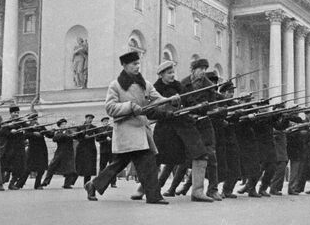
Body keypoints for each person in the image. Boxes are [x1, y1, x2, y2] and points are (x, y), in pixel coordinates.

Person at [84, 51, 175, 204]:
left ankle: (93, 185)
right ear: (125, 66)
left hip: (141, 130)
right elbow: (110, 108)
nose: (137, 67)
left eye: (138, 63)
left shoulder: (145, 84)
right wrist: (130, 106)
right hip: (126, 131)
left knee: (129, 163)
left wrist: (170, 100)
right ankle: (153, 196)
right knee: (141, 163)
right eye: (134, 64)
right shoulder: (116, 85)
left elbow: (157, 98)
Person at [135, 60, 212, 202]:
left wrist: (199, 106)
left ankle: (197, 192)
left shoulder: (180, 86)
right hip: (165, 128)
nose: (172, 75)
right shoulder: (154, 89)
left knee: (200, 153)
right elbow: (149, 111)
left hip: (184, 125)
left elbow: (190, 102)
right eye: (169, 73)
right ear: (161, 75)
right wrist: (166, 111)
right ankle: (142, 189)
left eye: (173, 72)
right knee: (155, 158)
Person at [179, 58, 223, 201]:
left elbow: (213, 106)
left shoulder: (209, 85)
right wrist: (188, 113)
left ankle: (213, 189)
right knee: (180, 156)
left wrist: (207, 107)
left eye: (205, 69)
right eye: (200, 69)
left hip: (204, 123)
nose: (203, 72)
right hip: (189, 124)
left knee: (211, 155)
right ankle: (164, 187)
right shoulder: (183, 84)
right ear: (193, 69)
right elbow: (179, 105)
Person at [42, 118, 77, 188]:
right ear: (59, 126)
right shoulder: (58, 132)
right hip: (60, 152)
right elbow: (54, 139)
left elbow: (77, 136)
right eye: (62, 124)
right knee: (52, 166)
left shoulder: (69, 131)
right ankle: (45, 182)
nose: (64, 125)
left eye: (65, 124)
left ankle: (67, 184)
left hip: (69, 153)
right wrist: (64, 135)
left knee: (70, 169)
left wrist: (73, 133)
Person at [18, 116, 49, 189]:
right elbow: (24, 136)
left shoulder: (41, 127)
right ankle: (19, 184)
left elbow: (49, 135)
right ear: (29, 120)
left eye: (35, 119)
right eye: (32, 119)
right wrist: (33, 133)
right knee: (28, 169)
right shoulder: (28, 128)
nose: (34, 121)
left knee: (41, 169)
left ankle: (37, 185)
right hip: (32, 151)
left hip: (41, 150)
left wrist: (48, 132)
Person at [72, 114, 98, 185]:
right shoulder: (80, 127)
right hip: (81, 149)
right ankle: (71, 182)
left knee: (89, 167)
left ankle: (86, 183)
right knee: (78, 165)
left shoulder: (94, 128)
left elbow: (98, 138)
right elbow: (75, 137)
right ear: (85, 118)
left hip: (90, 149)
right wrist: (83, 135)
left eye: (91, 119)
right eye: (89, 118)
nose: (90, 120)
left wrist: (95, 135)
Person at [95, 117, 115, 188]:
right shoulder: (99, 129)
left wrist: (110, 139)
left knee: (112, 166)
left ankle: (113, 182)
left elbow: (115, 138)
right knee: (102, 166)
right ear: (102, 122)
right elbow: (97, 139)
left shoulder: (111, 129)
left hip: (111, 150)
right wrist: (104, 137)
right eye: (104, 121)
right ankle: (100, 182)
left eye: (107, 121)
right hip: (103, 150)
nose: (106, 122)